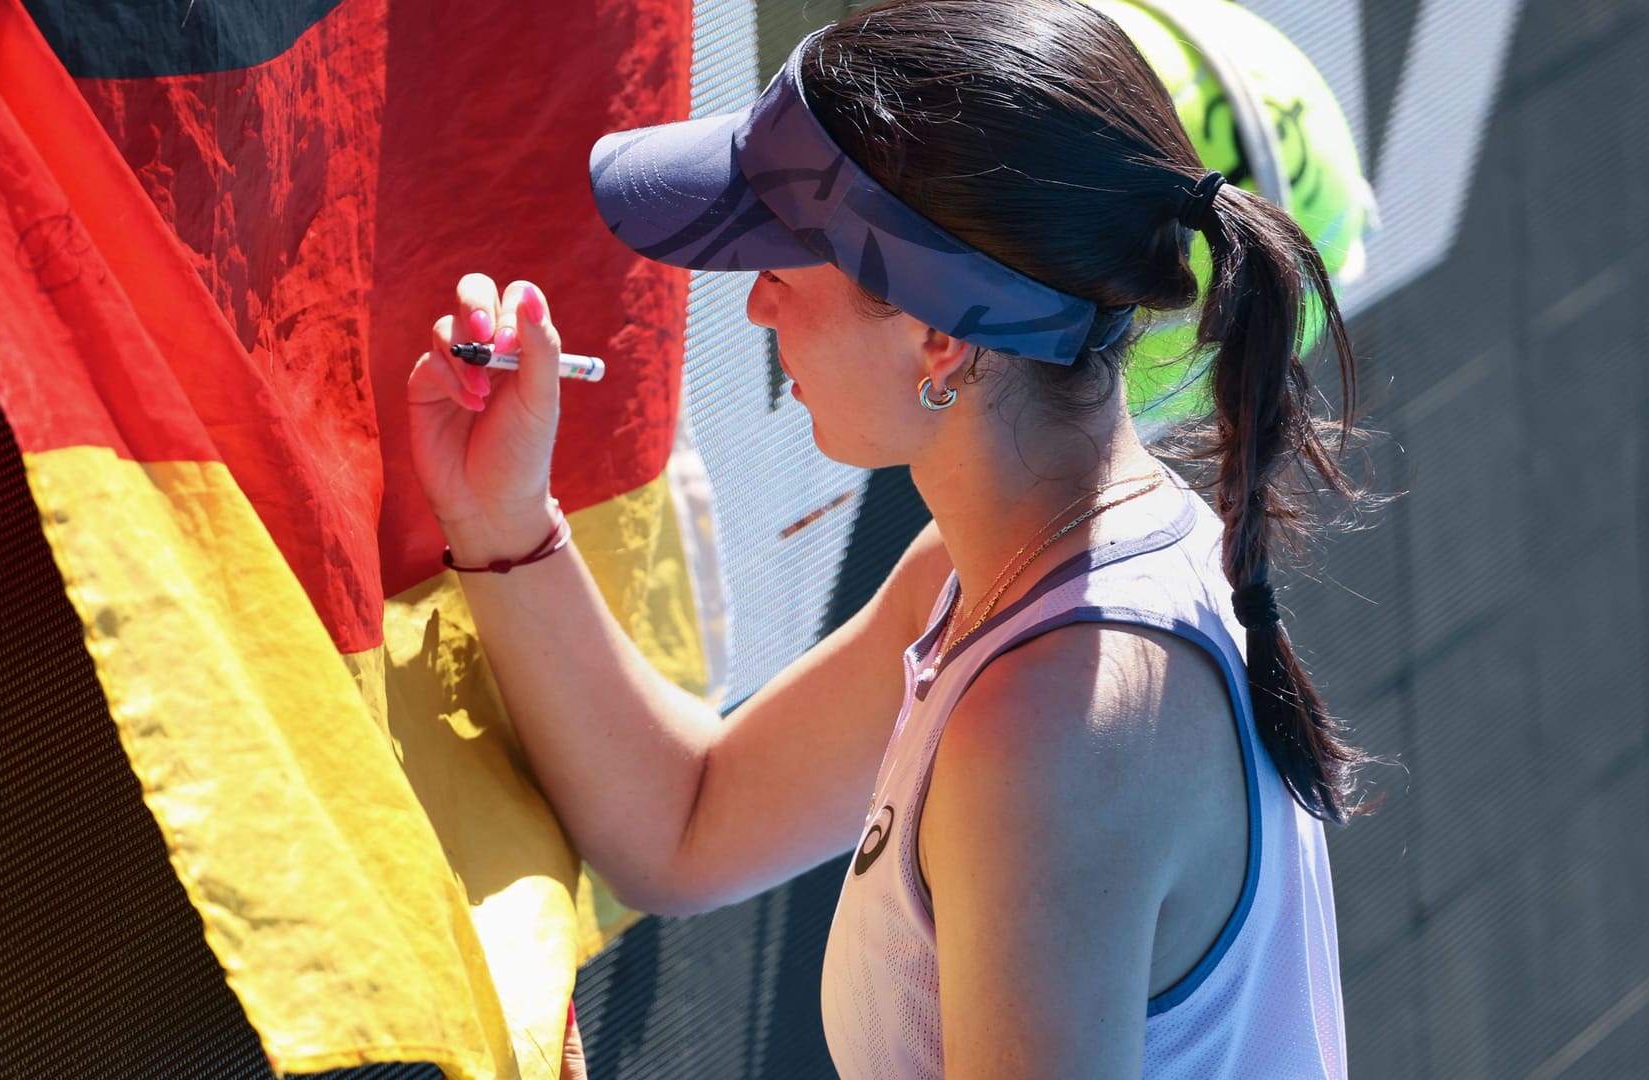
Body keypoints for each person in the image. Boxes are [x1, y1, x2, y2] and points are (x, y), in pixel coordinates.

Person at [406, 0, 1374, 1075]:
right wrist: (501, 519)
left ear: (942, 337)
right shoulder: (992, 579)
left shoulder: (1055, 722)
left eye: (785, 254)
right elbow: (686, 825)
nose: (756, 306)